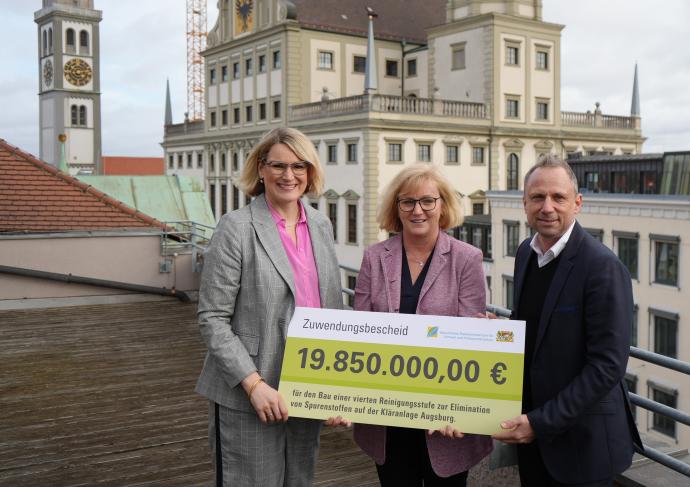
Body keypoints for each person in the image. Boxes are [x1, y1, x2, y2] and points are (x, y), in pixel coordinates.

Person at [195, 127, 343, 486]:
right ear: (261, 169)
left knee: (299, 481)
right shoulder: (236, 228)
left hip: (307, 386)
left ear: (310, 172)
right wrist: (254, 384)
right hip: (251, 392)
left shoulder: (320, 225)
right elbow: (212, 318)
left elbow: (333, 311)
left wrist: (340, 389)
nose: (288, 175)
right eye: (278, 165)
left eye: (299, 166)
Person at [493, 154, 642, 487]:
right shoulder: (525, 254)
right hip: (534, 438)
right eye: (537, 197)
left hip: (583, 447)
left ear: (577, 203)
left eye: (558, 197)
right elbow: (532, 329)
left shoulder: (602, 266)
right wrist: (496, 336)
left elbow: (607, 365)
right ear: (525, 204)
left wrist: (540, 422)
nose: (547, 207)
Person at [353, 164, 493, 486]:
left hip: (444, 423)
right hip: (386, 417)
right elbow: (358, 333)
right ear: (396, 208)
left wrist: (458, 410)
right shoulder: (374, 258)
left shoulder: (466, 259)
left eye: (428, 201)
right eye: (408, 202)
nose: (418, 210)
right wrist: (341, 396)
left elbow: (469, 341)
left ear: (442, 205)